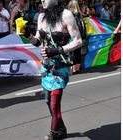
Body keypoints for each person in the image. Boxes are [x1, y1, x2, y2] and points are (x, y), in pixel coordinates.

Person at [22, 0, 82, 139]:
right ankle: (61, 130)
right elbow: (37, 42)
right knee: (49, 102)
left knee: (55, 103)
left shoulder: (66, 15)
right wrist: (27, 34)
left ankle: (54, 134)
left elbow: (78, 41)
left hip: (60, 66)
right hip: (46, 66)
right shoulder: (41, 16)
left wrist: (57, 50)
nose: (42, 0)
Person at [68, 0, 85, 74]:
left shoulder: (70, 15)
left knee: (72, 53)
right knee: (78, 52)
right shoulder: (80, 15)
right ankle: (77, 69)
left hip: (72, 37)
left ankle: (73, 69)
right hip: (80, 36)